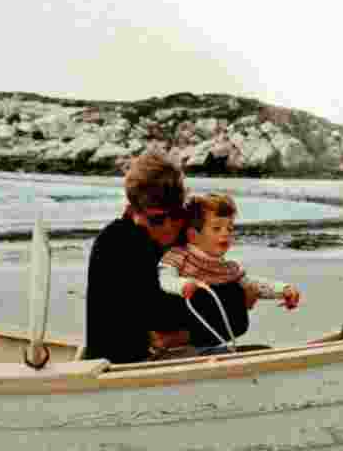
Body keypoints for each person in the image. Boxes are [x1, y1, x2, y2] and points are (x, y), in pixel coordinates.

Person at [84, 152, 258, 363]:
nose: (168, 227)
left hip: (172, 358)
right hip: (120, 366)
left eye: (176, 215)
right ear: (132, 211)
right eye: (157, 219)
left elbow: (237, 320)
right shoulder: (115, 243)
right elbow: (160, 312)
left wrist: (182, 334)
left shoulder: (188, 235)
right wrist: (231, 300)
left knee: (259, 351)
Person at [158, 193, 301, 349]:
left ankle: (208, 348)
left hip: (210, 336)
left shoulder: (227, 267)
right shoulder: (180, 255)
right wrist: (182, 285)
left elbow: (252, 284)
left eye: (230, 228)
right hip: (178, 326)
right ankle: (176, 343)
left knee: (241, 290)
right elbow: (164, 278)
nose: (225, 233)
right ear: (193, 235)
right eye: (217, 228)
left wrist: (282, 289)